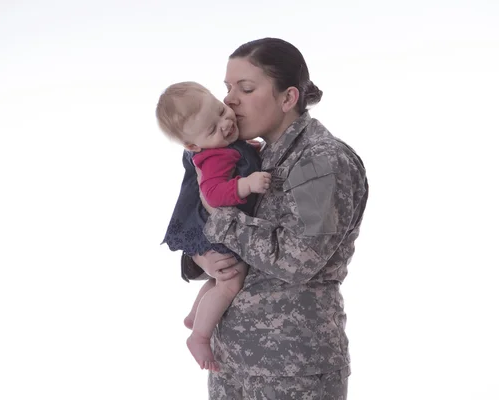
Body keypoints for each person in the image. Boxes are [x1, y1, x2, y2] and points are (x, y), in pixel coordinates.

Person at [181, 38, 369, 399]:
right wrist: (202, 256)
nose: (229, 100)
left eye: (246, 88)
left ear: (288, 98)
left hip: (291, 370)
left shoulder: (320, 162)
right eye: (228, 87)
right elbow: (225, 243)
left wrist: (216, 223)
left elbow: (297, 259)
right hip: (231, 362)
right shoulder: (245, 159)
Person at [156, 81, 272, 372]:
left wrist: (249, 149)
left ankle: (196, 314)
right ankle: (199, 335)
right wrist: (246, 183)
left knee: (217, 280)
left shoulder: (223, 145)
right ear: (193, 146)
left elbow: (237, 154)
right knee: (230, 282)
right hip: (220, 231)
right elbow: (214, 195)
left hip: (222, 231)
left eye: (221, 111)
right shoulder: (214, 157)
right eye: (211, 128)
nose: (224, 124)